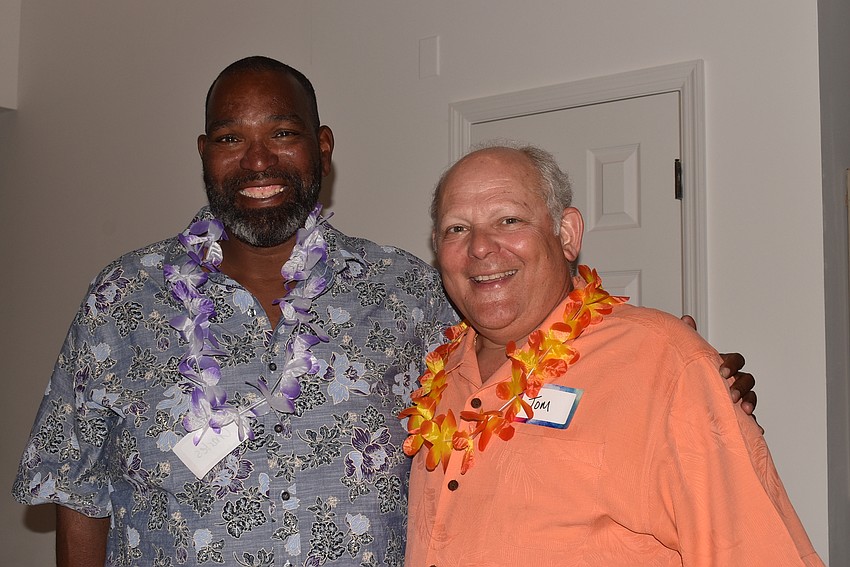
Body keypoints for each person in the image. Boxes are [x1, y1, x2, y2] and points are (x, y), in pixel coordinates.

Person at [12, 57, 754, 566]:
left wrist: (673, 372)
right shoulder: (123, 296)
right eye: (232, 138)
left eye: (283, 133)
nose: (258, 161)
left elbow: (523, 338)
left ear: (322, 147)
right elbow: (78, 483)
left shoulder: (405, 287)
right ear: (205, 152)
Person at [402, 142, 823, 566]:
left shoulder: (665, 363)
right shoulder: (434, 373)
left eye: (509, 220)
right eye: (457, 228)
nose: (479, 247)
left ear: (566, 234)